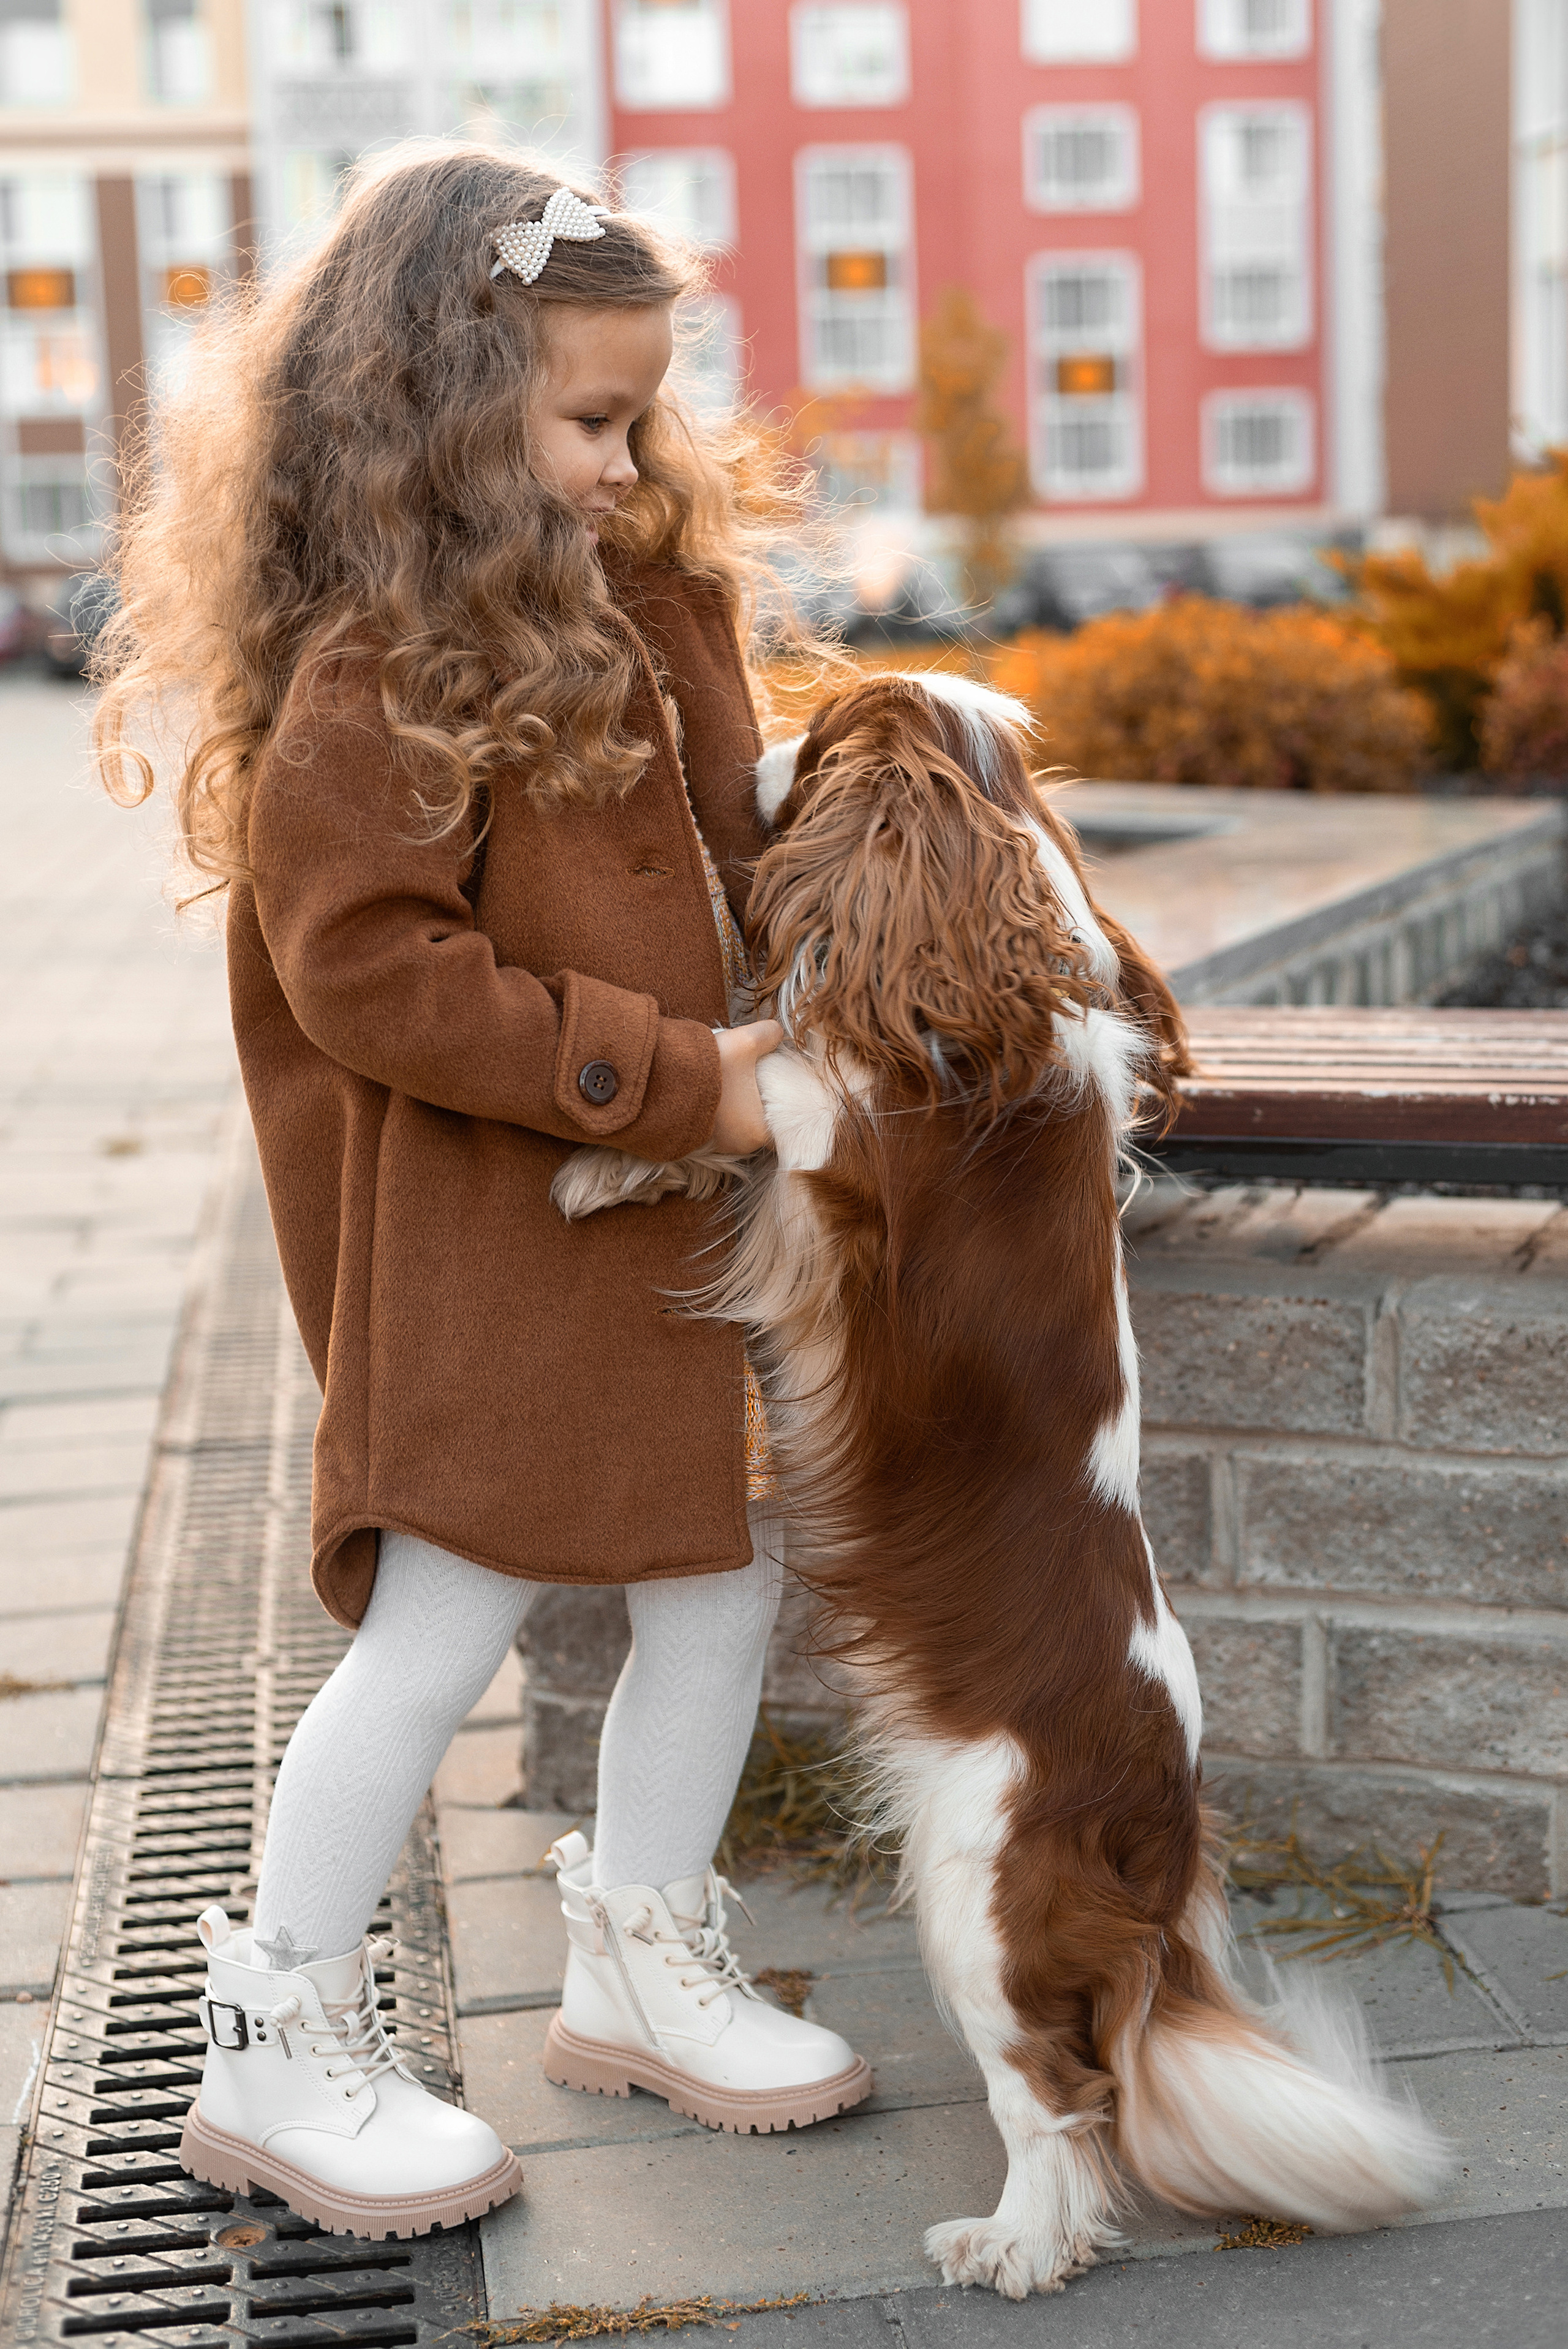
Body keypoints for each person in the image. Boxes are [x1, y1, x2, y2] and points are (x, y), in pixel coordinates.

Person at [96, 145, 872, 2241]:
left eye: (646, 418)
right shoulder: (372, 671)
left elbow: (734, 832)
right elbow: (372, 974)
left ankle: (635, 1954)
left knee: (716, 1578)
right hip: (486, 1241)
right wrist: (679, 1075)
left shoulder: (648, 599)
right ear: (438, 415)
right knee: (439, 1625)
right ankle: (272, 2033)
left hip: (673, 1231)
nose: (631, 462)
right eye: (590, 421)